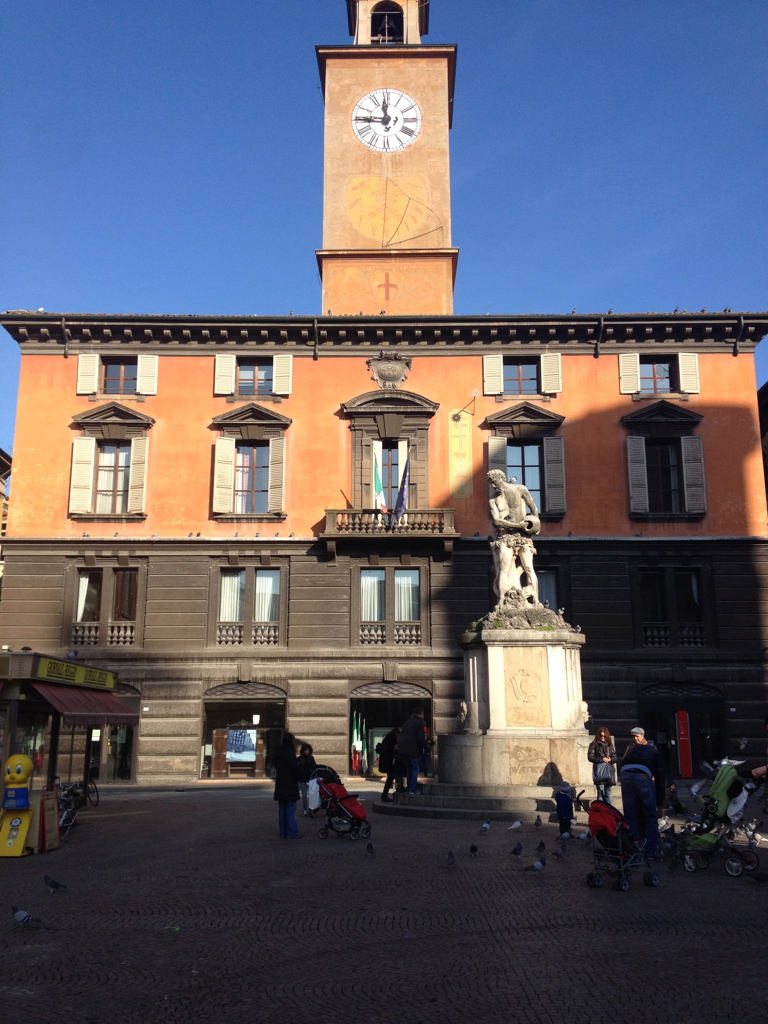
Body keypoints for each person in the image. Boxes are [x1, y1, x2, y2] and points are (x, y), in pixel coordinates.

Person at [487, 469, 541, 605]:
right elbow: (497, 521)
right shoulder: (493, 500)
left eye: (494, 482)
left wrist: (535, 524)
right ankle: (501, 601)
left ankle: (535, 600)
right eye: (491, 484)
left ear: (501, 478)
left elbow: (533, 508)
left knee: (529, 568)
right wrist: (519, 525)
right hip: (505, 538)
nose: (493, 486)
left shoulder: (520, 489)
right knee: (503, 569)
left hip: (523, 537)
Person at [619, 726, 664, 859]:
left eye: (637, 736)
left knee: (630, 814)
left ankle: (633, 850)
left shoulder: (630, 748)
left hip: (625, 774)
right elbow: (660, 777)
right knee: (651, 815)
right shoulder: (653, 750)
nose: (635, 738)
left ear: (642, 736)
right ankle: (650, 850)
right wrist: (659, 805)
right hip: (642, 775)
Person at [273, 732, 303, 838]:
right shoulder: (290, 752)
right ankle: (291, 832)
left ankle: (283, 832)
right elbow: (294, 767)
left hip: (280, 784)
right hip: (289, 784)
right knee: (290, 809)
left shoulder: (279, 752)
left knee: (282, 809)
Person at [397, 707, 427, 795]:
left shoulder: (407, 722)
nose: (423, 716)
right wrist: (425, 743)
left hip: (403, 750)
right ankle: (412, 789)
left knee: (409, 768)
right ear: (420, 714)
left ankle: (409, 788)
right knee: (414, 768)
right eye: (422, 714)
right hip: (412, 750)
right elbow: (420, 738)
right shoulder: (419, 723)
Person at [588, 726, 617, 804]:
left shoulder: (610, 745)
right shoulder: (594, 744)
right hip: (600, 771)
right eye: (601, 736)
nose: (603, 738)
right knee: (600, 793)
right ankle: (600, 812)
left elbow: (615, 757)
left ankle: (609, 812)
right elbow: (590, 757)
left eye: (604, 736)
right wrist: (601, 759)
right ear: (598, 735)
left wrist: (610, 759)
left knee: (608, 794)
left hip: (609, 771)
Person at [378, 727, 401, 802]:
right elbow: (390, 751)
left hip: (385, 761)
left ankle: (384, 795)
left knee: (391, 777)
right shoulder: (391, 739)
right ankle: (384, 795)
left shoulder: (387, 738)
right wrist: (395, 752)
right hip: (387, 762)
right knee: (391, 776)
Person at [297, 742, 316, 817]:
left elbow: (314, 767)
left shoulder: (311, 758)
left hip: (309, 777)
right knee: (304, 794)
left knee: (312, 793)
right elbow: (297, 768)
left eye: (308, 750)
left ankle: (311, 809)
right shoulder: (299, 759)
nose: (307, 751)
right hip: (302, 777)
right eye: (305, 750)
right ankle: (305, 810)